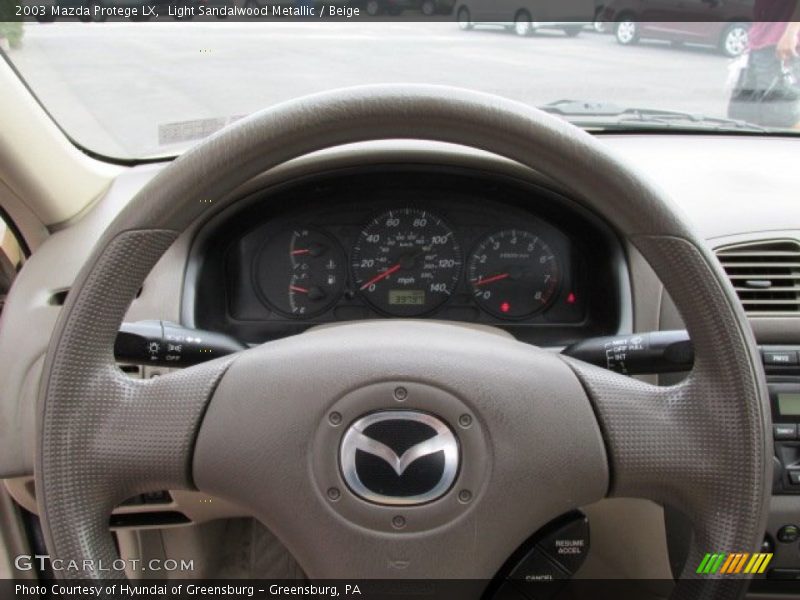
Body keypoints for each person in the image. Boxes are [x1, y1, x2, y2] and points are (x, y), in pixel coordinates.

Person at [728, 0, 800, 129]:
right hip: (762, 41)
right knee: (747, 116)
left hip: (781, 44)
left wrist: (791, 33)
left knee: (782, 117)